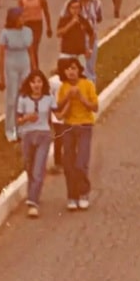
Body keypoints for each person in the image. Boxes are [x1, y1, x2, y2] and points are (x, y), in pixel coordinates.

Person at [16, 70, 60, 217]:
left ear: (43, 84)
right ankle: (32, 192)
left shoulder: (48, 98)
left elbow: (58, 114)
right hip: (27, 135)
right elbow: (18, 119)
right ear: (29, 84)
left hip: (43, 135)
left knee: (38, 168)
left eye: (39, 82)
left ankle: (33, 201)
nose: (37, 85)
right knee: (29, 167)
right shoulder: (23, 99)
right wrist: (27, 117)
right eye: (34, 82)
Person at [56, 58, 97, 211]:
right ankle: (72, 196)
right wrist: (68, 97)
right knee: (68, 163)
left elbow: (95, 106)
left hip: (85, 126)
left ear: (79, 70)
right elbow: (58, 107)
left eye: (74, 68)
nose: (71, 72)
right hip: (68, 127)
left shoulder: (87, 85)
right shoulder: (63, 87)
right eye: (68, 69)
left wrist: (81, 98)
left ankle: (84, 192)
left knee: (81, 162)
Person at [0, 7, 35, 142]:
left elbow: (31, 52)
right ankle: (10, 129)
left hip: (24, 63)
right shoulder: (5, 33)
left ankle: (22, 127)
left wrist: (34, 69)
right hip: (11, 65)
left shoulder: (28, 31)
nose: (22, 20)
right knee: (12, 98)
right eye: (20, 17)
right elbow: (1, 56)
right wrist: (2, 75)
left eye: (23, 17)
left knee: (24, 96)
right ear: (13, 19)